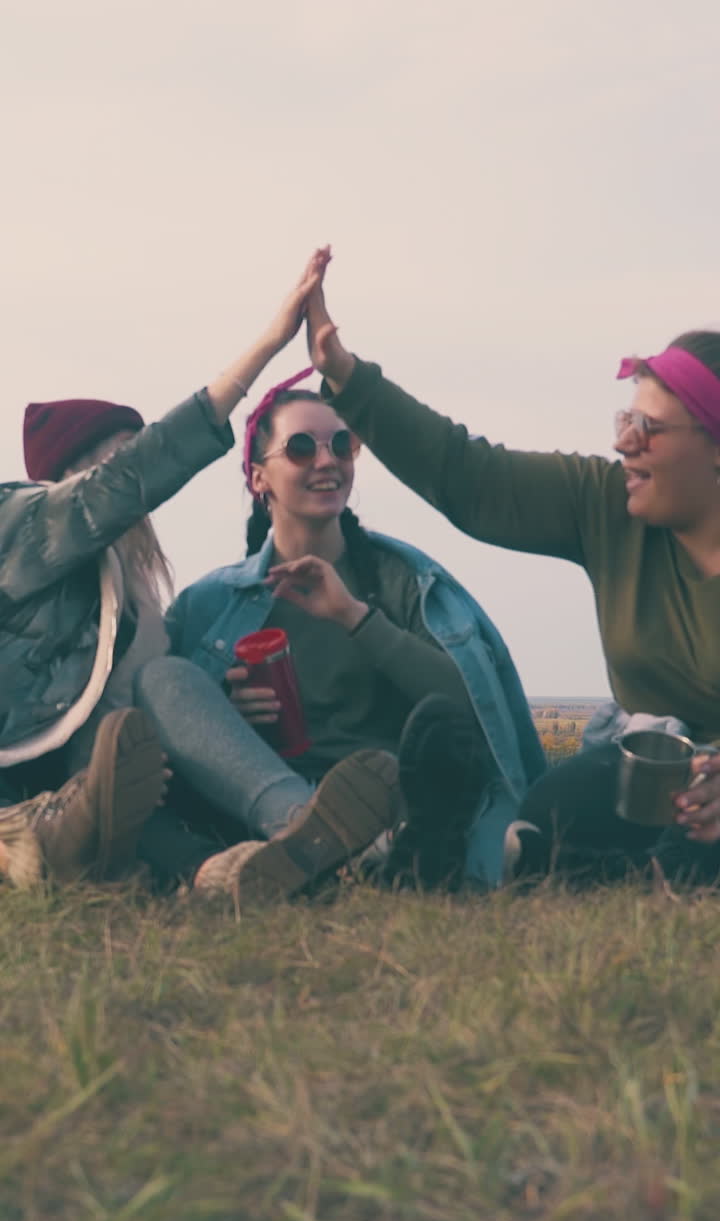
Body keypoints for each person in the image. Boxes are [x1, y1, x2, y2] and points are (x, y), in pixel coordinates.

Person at [302, 264, 720, 885]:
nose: (624, 444)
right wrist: (346, 375)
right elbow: (471, 476)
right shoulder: (608, 505)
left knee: (678, 860)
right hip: (654, 769)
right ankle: (448, 855)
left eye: (649, 429)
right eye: (624, 422)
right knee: (549, 823)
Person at [135, 348, 544, 899]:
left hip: (395, 801)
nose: (327, 461)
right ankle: (315, 836)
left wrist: (355, 617)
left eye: (342, 445)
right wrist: (224, 708)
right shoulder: (213, 600)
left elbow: (468, 708)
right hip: (265, 805)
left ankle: (355, 855)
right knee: (164, 679)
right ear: (260, 479)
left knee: (444, 729)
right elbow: (170, 723)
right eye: (301, 448)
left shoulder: (404, 578)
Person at [0, 250, 330, 889]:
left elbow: (155, 699)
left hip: (129, 777)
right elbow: (140, 474)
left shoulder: (142, 589)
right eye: (114, 464)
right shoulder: (26, 523)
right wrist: (267, 345)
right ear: (66, 480)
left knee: (171, 679)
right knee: (114, 762)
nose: (131, 486)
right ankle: (208, 867)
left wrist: (223, 708)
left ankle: (299, 828)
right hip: (31, 773)